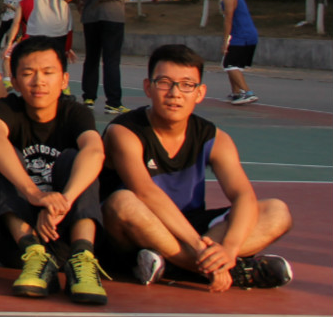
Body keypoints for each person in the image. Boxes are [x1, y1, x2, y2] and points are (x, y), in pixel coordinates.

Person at [101, 44, 293, 291]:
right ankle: (220, 270)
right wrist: (199, 247)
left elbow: (243, 195)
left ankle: (177, 266)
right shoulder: (124, 132)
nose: (175, 93)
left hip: (188, 228)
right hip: (139, 228)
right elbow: (145, 192)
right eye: (164, 83)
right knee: (122, 202)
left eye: (186, 85)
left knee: (277, 212)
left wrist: (229, 249)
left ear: (200, 92)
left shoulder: (214, 138)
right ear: (148, 87)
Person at [0, 36, 108, 304]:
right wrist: (35, 195)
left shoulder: (76, 113)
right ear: (15, 82)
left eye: (48, 73)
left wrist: (63, 202)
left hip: (64, 232)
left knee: (78, 158)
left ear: (64, 80)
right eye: (28, 73)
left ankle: (83, 257)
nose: (39, 81)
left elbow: (95, 151)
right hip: (16, 243)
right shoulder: (6, 109)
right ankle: (35, 255)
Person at [214, 0, 261, 104]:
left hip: (242, 36)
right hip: (245, 35)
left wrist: (225, 41)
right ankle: (236, 92)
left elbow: (228, 20)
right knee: (232, 65)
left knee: (230, 64)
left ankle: (248, 93)